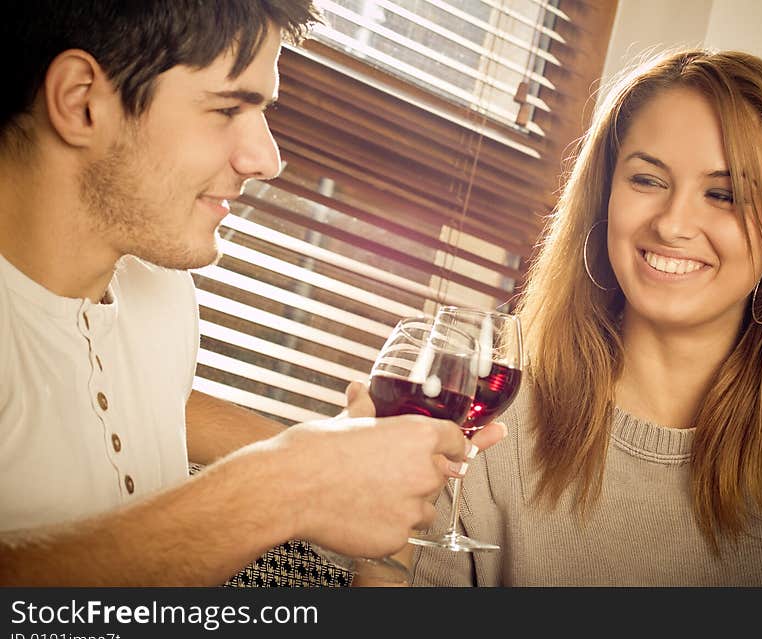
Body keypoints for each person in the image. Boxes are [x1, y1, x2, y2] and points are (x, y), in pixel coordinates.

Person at [0, 0, 505, 586]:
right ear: (81, 100)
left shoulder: (162, 299)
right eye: (225, 109)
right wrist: (284, 483)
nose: (267, 160)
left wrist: (346, 469)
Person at [410, 48, 762, 586]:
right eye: (647, 181)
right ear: (605, 198)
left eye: (723, 194)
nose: (674, 224)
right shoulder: (488, 430)